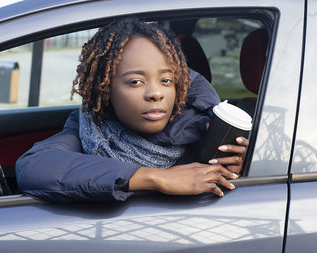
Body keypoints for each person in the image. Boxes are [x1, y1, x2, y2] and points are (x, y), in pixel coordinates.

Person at [15, 18, 248, 202]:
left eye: (166, 80)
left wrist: (240, 169)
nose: (155, 93)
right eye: (135, 82)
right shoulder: (90, 126)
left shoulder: (209, 128)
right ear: (106, 89)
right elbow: (34, 168)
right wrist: (153, 178)